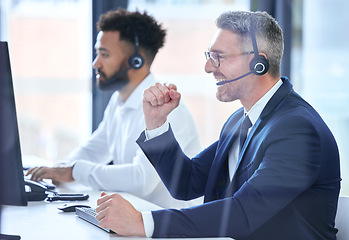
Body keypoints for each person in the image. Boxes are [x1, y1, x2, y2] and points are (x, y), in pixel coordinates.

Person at [94, 10, 341, 240]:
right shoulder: (240, 121)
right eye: (209, 56)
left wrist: (142, 223)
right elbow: (186, 183)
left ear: (258, 63)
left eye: (218, 57)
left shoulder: (298, 130)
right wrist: (157, 125)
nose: (208, 67)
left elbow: (244, 213)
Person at [26, 8, 202, 209]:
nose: (95, 63)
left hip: (172, 231)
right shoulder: (119, 101)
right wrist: (56, 170)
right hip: (136, 223)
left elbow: (141, 180)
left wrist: (75, 171)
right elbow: (94, 149)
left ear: (136, 61)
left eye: (104, 54)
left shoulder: (168, 109)